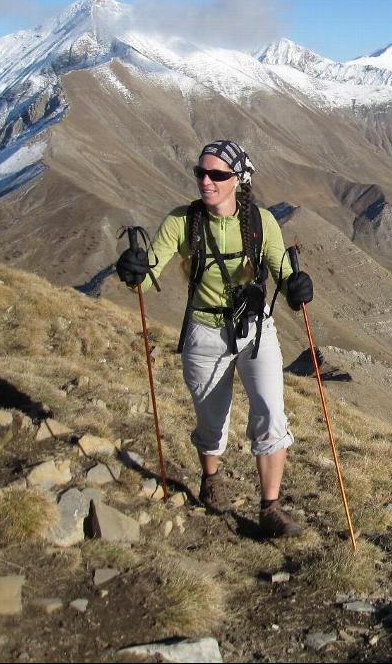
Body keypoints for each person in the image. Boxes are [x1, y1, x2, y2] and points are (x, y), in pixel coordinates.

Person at [115, 139, 313, 538]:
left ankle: (270, 508)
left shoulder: (261, 223)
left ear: (238, 180)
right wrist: (133, 270)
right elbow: (150, 270)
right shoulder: (182, 222)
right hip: (205, 332)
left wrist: (297, 287)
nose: (205, 181)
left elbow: (282, 273)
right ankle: (211, 477)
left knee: (271, 413)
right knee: (211, 421)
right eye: (200, 173)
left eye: (217, 175)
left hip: (256, 331)